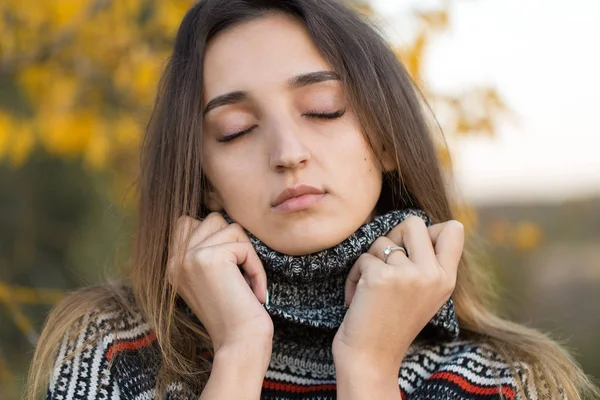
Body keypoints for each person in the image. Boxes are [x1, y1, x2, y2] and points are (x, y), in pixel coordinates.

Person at [26, 0, 598, 399]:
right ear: (202, 177)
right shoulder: (111, 351)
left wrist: (369, 373)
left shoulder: (510, 381)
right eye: (236, 129)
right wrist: (239, 355)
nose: (288, 151)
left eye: (323, 109)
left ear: (388, 140)